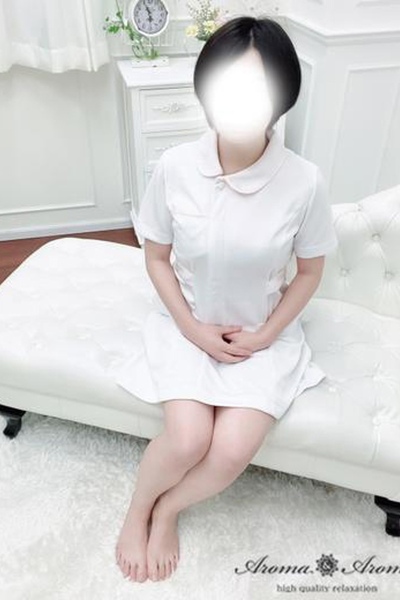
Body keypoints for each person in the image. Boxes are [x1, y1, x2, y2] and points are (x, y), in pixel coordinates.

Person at [114, 15, 338, 584]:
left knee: (231, 451)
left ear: (281, 95)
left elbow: (310, 272)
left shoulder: (304, 181)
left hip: (262, 335)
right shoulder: (175, 167)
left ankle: (168, 509)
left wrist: (265, 335)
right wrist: (191, 328)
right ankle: (138, 509)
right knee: (187, 439)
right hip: (188, 325)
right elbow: (156, 258)